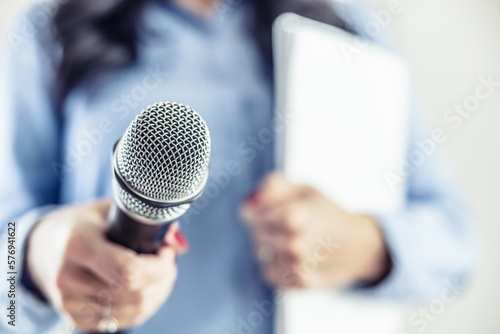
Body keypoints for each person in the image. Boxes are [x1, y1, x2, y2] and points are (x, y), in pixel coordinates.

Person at [0, 0, 476, 333]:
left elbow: (457, 243)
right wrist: (32, 258)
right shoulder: (45, 33)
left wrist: (367, 243)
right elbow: (3, 274)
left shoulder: (351, 27)